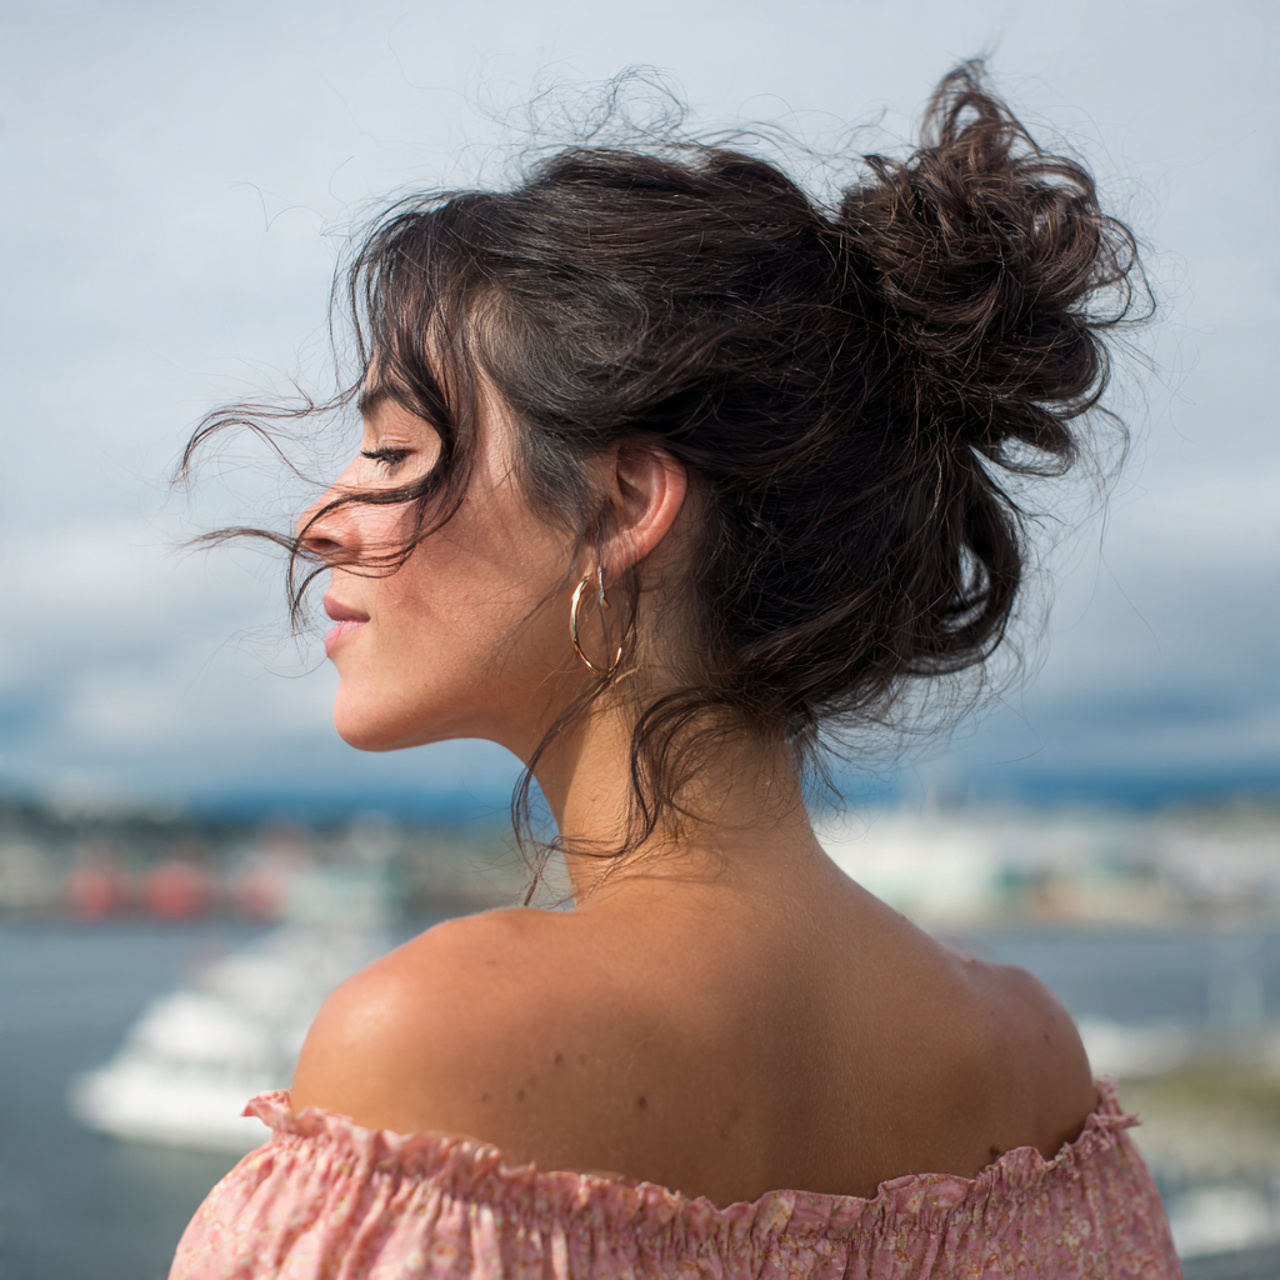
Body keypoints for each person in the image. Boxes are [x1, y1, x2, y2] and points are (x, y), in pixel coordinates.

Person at [169, 64, 1179, 1279]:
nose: (319, 521)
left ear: (622, 503)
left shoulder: (430, 1040)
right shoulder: (1033, 1068)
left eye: (391, 448)